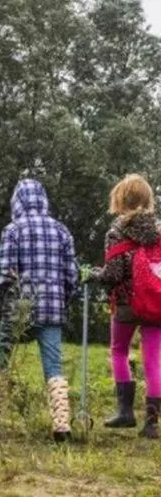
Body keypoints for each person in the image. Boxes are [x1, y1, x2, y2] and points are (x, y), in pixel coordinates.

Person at [0, 179, 78, 443]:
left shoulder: (13, 230)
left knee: (3, 359)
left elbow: (6, 274)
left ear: (17, 201)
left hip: (18, 308)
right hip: (52, 308)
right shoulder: (61, 231)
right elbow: (71, 275)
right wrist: (63, 300)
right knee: (53, 365)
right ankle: (61, 424)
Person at [90, 174, 161, 439]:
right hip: (155, 301)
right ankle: (152, 423)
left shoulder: (117, 231)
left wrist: (94, 275)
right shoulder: (158, 231)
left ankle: (125, 412)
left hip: (126, 302)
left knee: (119, 350)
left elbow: (113, 273)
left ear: (120, 199)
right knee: (153, 360)